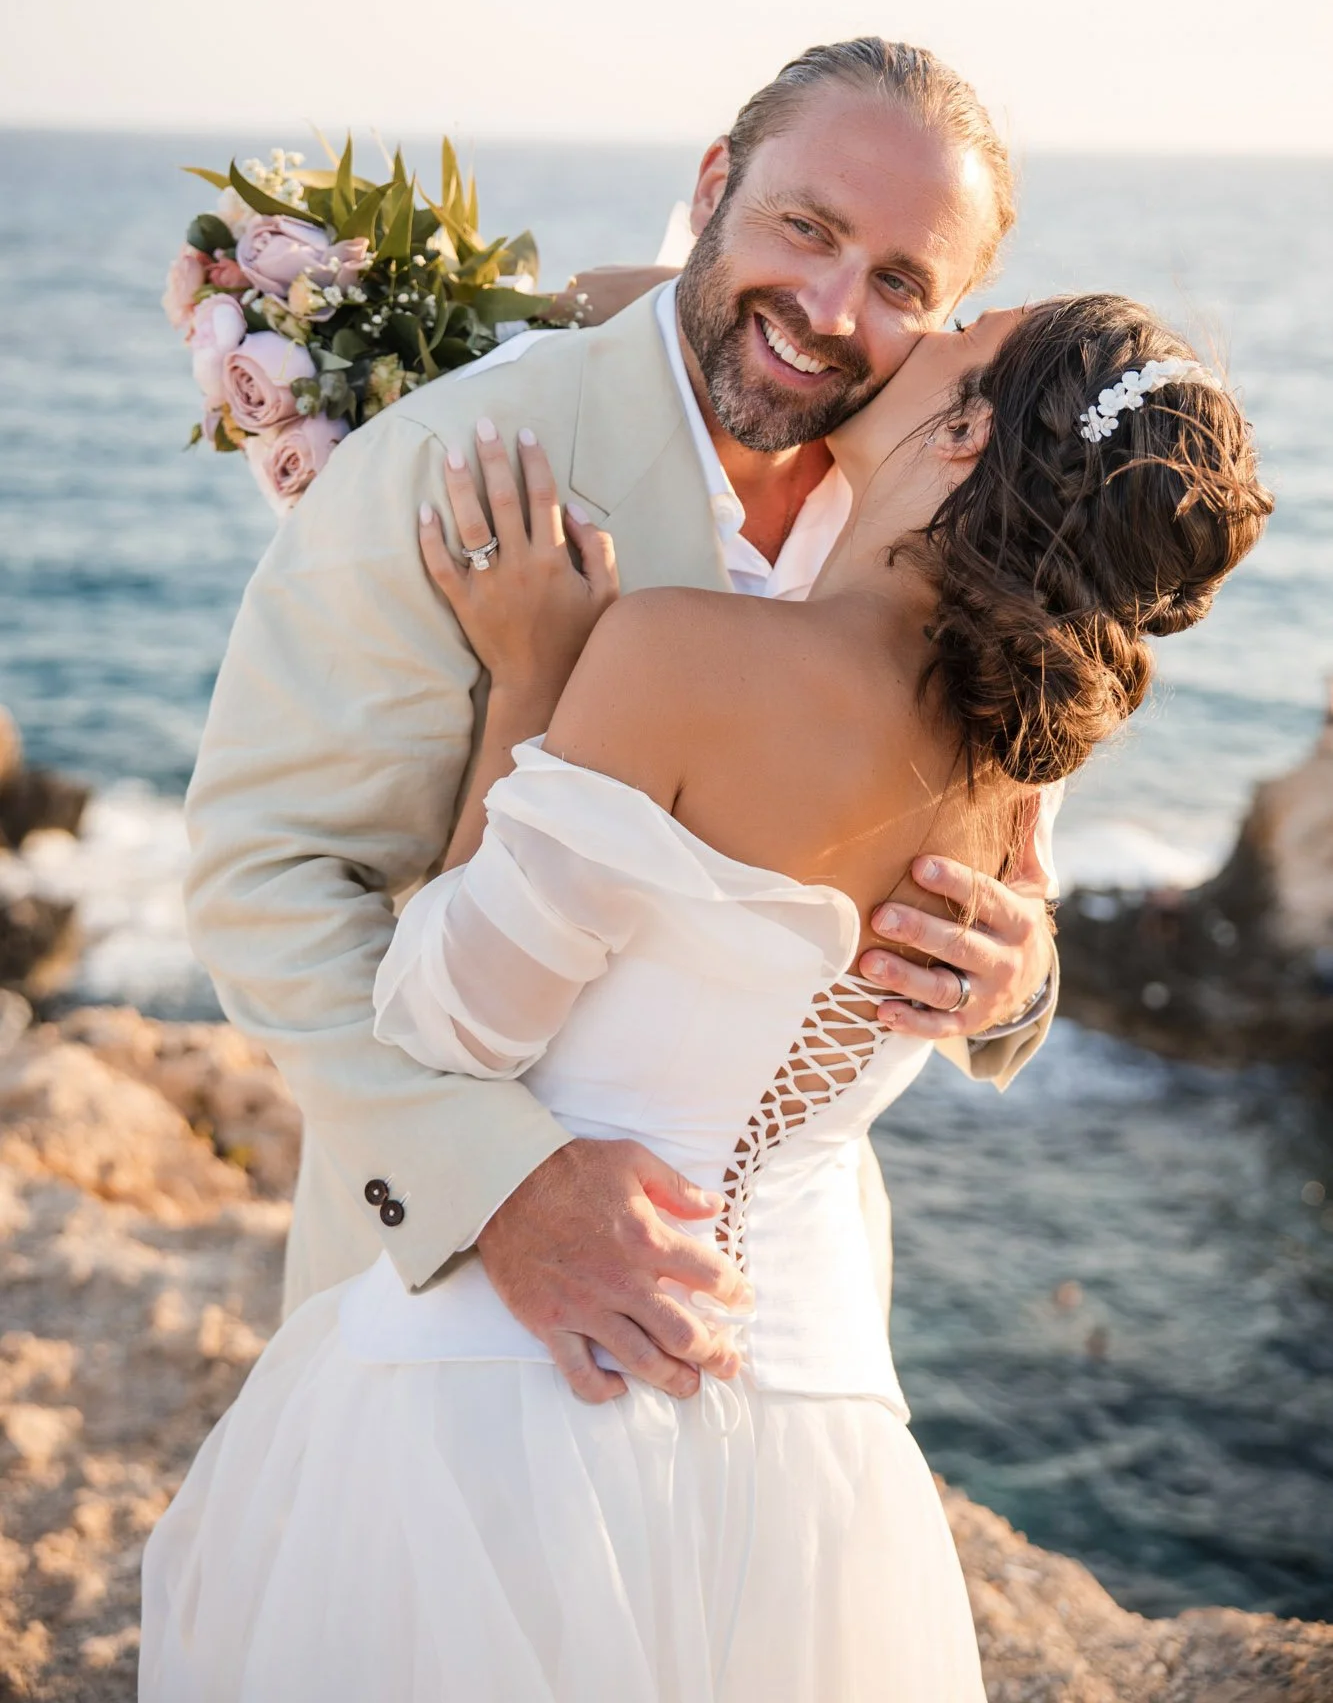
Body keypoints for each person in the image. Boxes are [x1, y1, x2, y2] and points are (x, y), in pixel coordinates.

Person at [142, 292, 1271, 1699]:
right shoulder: (1015, 769)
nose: (920, 331)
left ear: (963, 431)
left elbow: (439, 1019)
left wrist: (529, 690)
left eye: (962, 331)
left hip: (525, 1389)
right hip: (811, 1426)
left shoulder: (675, 655)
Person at [183, 40, 1061, 1403]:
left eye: (898, 280)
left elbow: (1002, 893)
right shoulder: (454, 459)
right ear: (717, 181)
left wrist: (1017, 982)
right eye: (806, 226)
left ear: (954, 315)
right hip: (444, 1328)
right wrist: (502, 1193)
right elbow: (266, 878)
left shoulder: (972, 545)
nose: (831, 308)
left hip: (778, 1341)